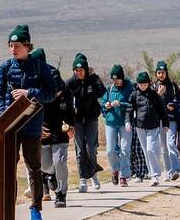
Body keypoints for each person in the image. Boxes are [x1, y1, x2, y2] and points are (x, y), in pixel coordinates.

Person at [0, 24, 57, 220]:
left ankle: (35, 209)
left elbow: (50, 93)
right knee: (8, 168)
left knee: (34, 168)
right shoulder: (4, 68)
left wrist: (30, 93)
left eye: (17, 45)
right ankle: (7, 208)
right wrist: (4, 115)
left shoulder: (39, 67)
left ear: (28, 46)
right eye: (10, 45)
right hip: (10, 128)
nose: (13, 49)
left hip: (32, 127)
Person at [37, 49, 75, 208]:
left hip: (61, 131)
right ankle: (50, 175)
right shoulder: (38, 89)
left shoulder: (66, 92)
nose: (56, 93)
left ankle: (61, 194)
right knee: (45, 165)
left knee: (60, 161)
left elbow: (71, 111)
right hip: (44, 130)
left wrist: (71, 125)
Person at [67, 53, 105, 193]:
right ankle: (82, 179)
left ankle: (94, 175)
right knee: (80, 150)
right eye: (76, 71)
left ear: (86, 69)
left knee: (91, 148)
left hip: (91, 119)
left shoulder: (92, 80)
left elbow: (101, 92)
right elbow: (64, 99)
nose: (78, 73)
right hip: (76, 121)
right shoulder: (70, 83)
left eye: (81, 70)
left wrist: (96, 78)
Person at [129, 71, 167, 186]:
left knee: (150, 149)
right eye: (141, 84)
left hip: (153, 126)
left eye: (145, 84)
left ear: (149, 84)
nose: (143, 86)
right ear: (137, 84)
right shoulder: (134, 95)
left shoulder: (155, 95)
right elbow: (130, 109)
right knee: (146, 151)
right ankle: (152, 175)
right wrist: (127, 121)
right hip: (140, 127)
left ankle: (155, 175)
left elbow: (162, 111)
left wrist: (165, 124)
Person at [101, 65, 133, 186]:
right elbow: (103, 103)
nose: (115, 81)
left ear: (122, 78)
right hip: (111, 122)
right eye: (113, 79)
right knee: (110, 150)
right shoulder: (110, 88)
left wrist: (120, 103)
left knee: (125, 149)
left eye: (117, 79)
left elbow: (132, 103)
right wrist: (106, 105)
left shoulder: (129, 88)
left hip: (125, 123)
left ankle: (123, 176)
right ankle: (115, 169)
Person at [153, 61, 180, 180]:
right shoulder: (153, 86)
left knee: (171, 143)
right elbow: (150, 103)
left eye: (163, 72)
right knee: (163, 147)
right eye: (158, 72)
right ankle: (168, 171)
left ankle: (175, 168)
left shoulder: (173, 85)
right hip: (159, 120)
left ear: (166, 73)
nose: (161, 75)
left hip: (171, 119)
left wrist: (173, 104)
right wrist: (158, 94)